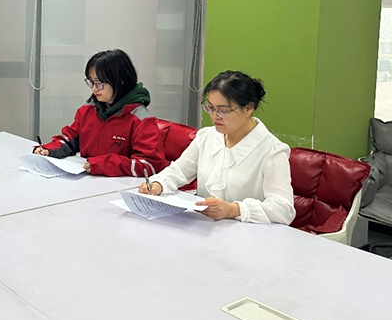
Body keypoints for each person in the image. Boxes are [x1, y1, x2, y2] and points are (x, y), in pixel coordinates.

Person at [139, 70, 295, 224]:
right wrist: (158, 184)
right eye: (210, 108)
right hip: (203, 226)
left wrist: (233, 209)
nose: (214, 116)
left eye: (223, 111)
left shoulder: (272, 151)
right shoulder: (207, 136)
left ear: (248, 108)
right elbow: (179, 171)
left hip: (246, 233)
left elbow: (283, 209)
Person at [33, 49, 165, 177]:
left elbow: (151, 165)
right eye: (91, 82)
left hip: (121, 186)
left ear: (120, 81)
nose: (94, 89)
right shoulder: (87, 112)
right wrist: (48, 150)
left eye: (99, 83)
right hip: (87, 181)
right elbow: (70, 141)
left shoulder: (141, 120)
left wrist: (105, 165)